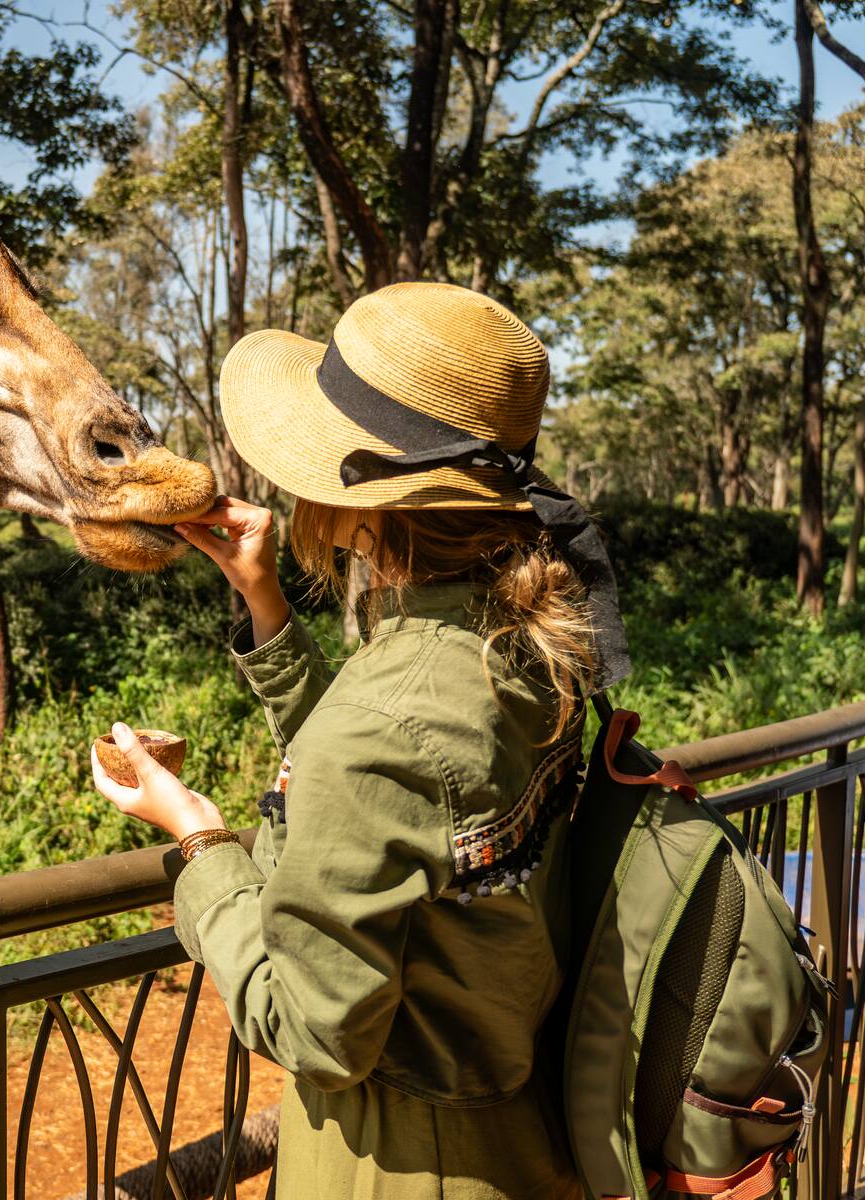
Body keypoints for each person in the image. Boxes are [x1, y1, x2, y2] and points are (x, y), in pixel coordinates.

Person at [91, 282, 629, 1200]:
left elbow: (310, 1028)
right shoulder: (532, 642)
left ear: (372, 503)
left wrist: (200, 841)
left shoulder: (390, 711)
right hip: (525, 1127)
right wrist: (265, 603)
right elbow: (399, 805)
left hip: (397, 1161)